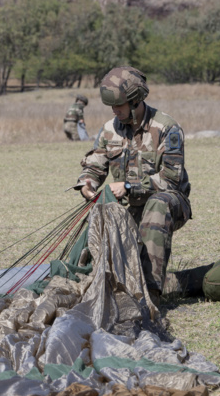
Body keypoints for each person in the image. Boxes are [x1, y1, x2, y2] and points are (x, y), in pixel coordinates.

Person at [74, 67, 191, 306]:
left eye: (120, 106)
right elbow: (96, 164)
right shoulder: (109, 129)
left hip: (169, 204)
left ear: (136, 101)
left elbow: (171, 180)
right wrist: (87, 183)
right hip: (128, 208)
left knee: (158, 205)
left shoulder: (167, 128)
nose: (115, 111)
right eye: (112, 107)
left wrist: (128, 185)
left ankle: (151, 295)